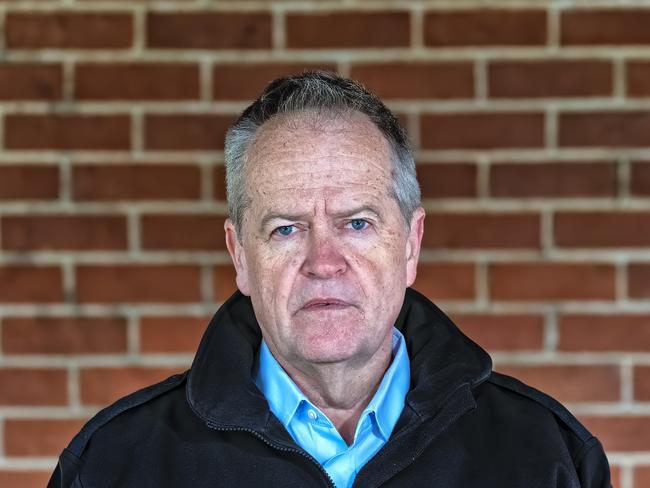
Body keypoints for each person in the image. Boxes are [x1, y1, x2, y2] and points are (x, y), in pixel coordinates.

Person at [48, 71, 612, 488]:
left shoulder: (546, 455)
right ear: (239, 254)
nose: (324, 261)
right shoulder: (115, 463)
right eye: (287, 229)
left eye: (358, 223)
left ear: (411, 244)